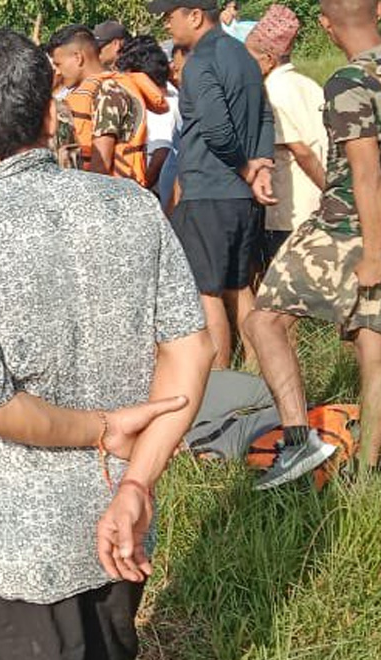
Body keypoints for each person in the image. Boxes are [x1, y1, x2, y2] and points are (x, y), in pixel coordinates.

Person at [0, 29, 214, 660]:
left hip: (9, 547)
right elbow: (194, 351)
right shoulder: (133, 207)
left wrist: (103, 428)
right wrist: (137, 481)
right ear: (53, 114)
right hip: (119, 518)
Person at [245, 0, 381, 488]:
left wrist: (373, 252)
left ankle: (301, 440)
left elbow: (364, 170)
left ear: (324, 25)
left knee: (264, 322)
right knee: (372, 346)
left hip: (347, 228)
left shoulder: (350, 81)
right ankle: (367, 471)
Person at [154, 0, 277, 370]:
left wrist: (245, 168)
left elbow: (216, 129)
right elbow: (265, 116)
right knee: (239, 288)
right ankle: (257, 375)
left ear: (194, 15)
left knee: (207, 293)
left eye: (170, 17)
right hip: (240, 198)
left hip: (209, 191)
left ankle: (221, 387)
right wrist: (263, 166)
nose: (167, 26)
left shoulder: (199, 63)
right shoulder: (242, 55)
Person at [246, 5, 329, 263]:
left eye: (249, 58)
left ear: (268, 59)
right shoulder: (309, 85)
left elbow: (301, 151)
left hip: (288, 214)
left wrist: (328, 190)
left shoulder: (273, 91)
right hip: (315, 208)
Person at [49, 24, 169, 185]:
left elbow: (101, 164)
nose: (57, 72)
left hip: (115, 197)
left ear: (78, 57)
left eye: (58, 64)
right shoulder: (104, 87)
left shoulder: (108, 91)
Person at [117, 36, 182, 201]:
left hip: (156, 195)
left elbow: (162, 151)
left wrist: (141, 190)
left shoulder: (158, 109)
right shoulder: (173, 98)